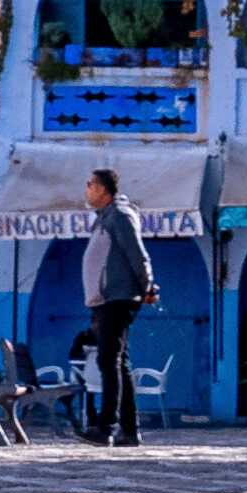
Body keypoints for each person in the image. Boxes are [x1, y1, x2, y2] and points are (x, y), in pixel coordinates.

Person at [80, 167, 159, 447]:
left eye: (90, 184)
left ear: (102, 189)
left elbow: (137, 253)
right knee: (119, 363)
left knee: (109, 361)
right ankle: (129, 430)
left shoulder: (120, 215)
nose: (87, 189)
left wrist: (147, 287)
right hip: (106, 300)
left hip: (118, 297)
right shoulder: (104, 219)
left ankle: (106, 428)